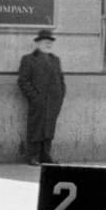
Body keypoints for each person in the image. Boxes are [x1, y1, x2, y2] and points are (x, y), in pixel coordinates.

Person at [17, 30, 66, 165]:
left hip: (53, 103)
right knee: (36, 127)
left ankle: (46, 155)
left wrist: (60, 96)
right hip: (38, 102)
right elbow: (23, 81)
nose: (48, 44)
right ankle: (33, 156)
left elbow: (61, 80)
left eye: (50, 42)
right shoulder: (28, 59)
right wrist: (35, 98)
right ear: (38, 43)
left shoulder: (55, 60)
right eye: (46, 42)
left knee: (49, 129)